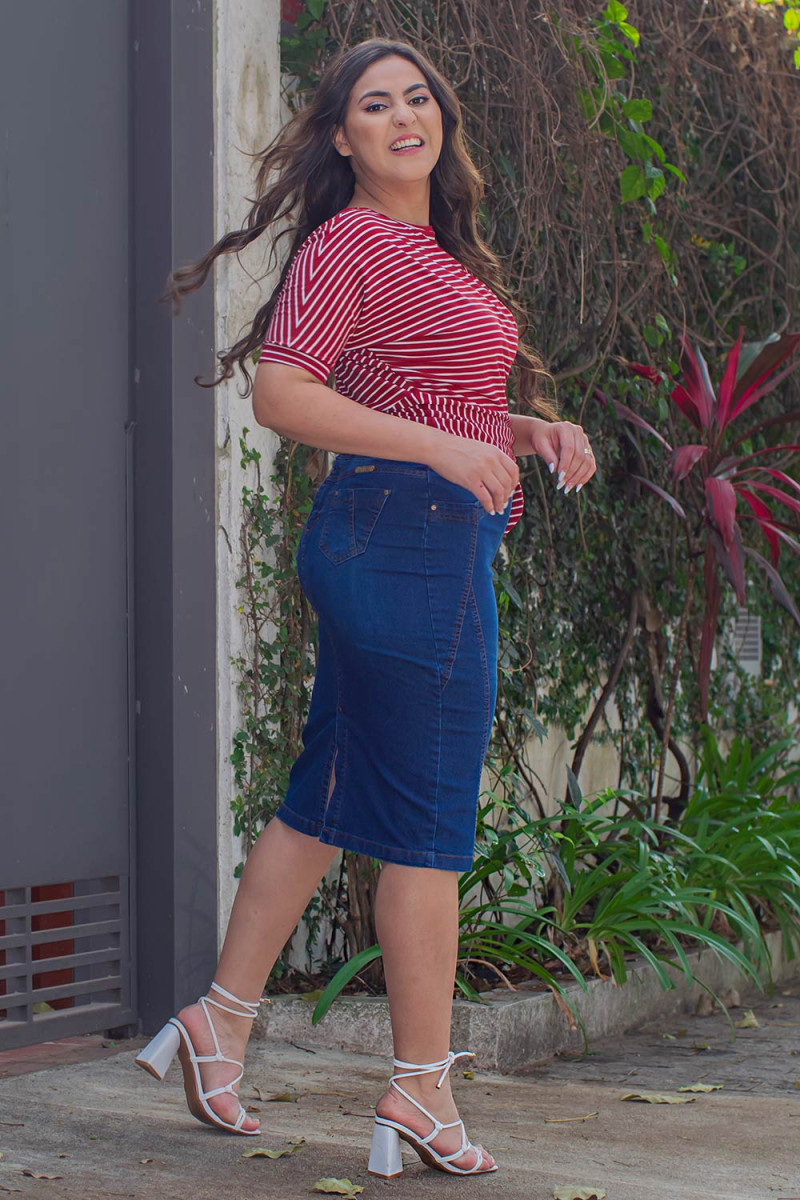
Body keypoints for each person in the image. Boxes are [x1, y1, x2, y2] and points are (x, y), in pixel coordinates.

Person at [134, 37, 597, 1178]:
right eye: (375, 104)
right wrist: (441, 448)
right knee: (427, 826)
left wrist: (524, 430)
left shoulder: (429, 250)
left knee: (327, 795)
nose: (403, 116)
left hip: (397, 532)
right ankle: (420, 1088)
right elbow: (284, 392)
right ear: (342, 137)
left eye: (417, 98)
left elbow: (428, 391)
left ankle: (219, 1021)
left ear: (441, 119)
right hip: (410, 542)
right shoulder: (350, 240)